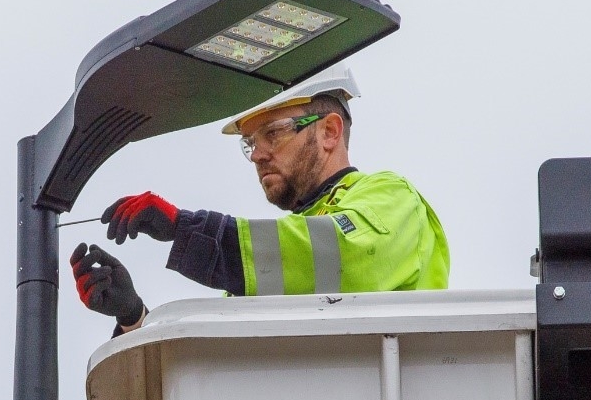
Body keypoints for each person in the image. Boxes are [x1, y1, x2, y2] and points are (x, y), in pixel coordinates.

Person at [70, 64, 450, 334]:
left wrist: (186, 228)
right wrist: (133, 318)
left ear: (330, 132)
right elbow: (217, 364)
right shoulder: (267, 268)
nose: (257, 155)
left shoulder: (390, 195)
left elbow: (346, 258)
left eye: (273, 133)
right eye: (250, 142)